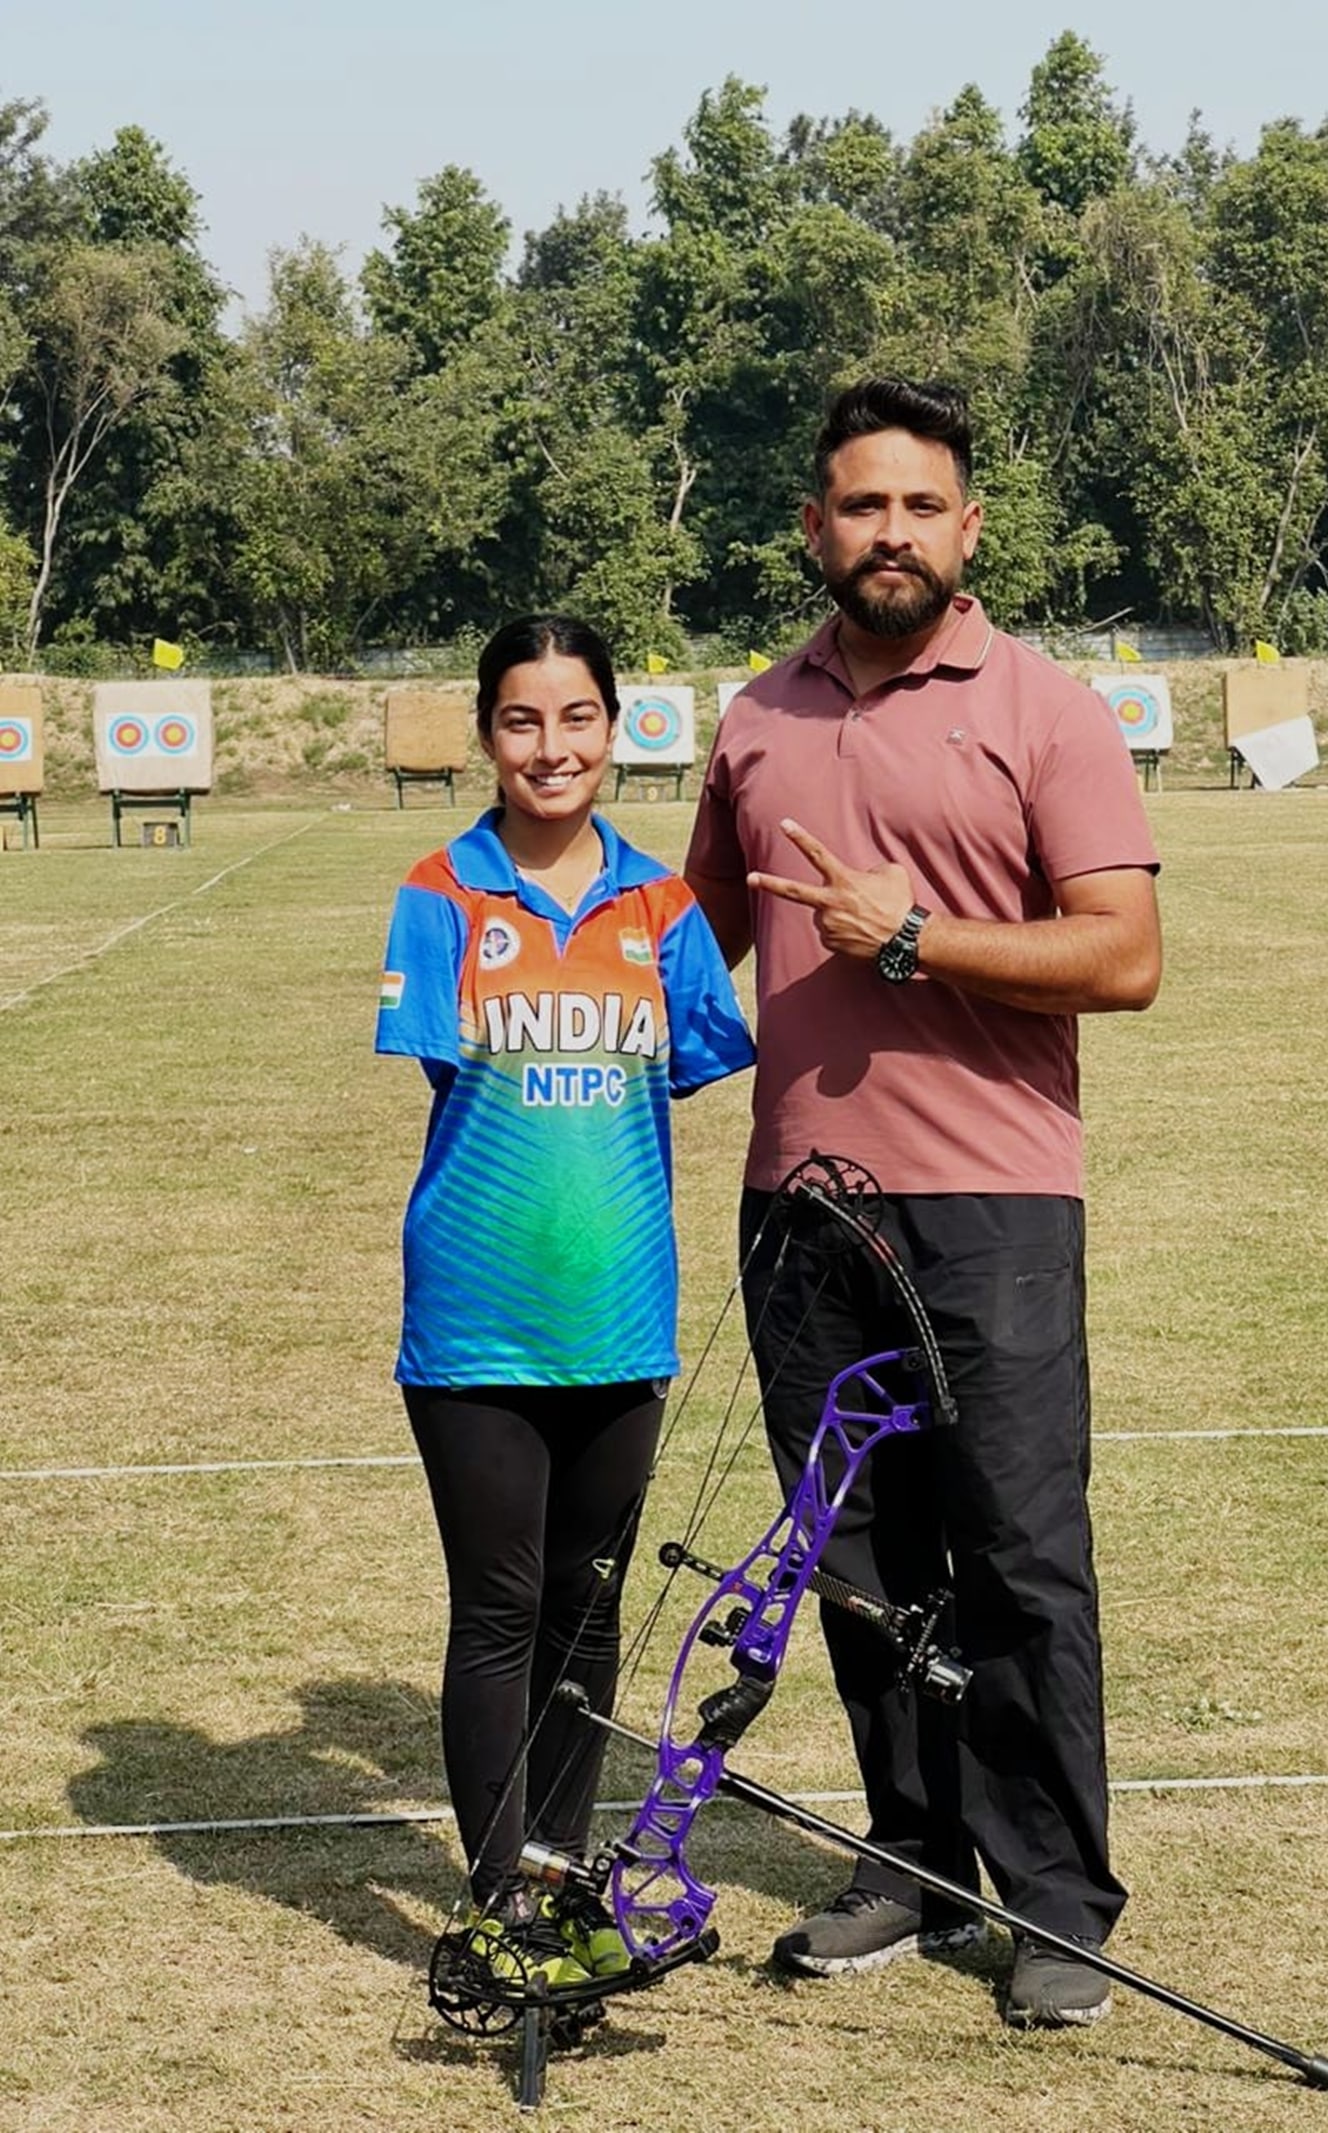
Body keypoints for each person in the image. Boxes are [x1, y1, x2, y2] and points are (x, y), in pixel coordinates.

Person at [685, 379, 1161, 2029]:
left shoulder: (1045, 707)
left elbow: (1125, 955)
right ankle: (913, 1854)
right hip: (800, 1204)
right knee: (860, 1555)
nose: (888, 531)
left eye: (918, 505)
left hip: (996, 1201)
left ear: (969, 528)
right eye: (857, 505)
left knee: (1023, 1550)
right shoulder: (754, 719)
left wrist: (917, 935)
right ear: (813, 529)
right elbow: (694, 951)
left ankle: (1054, 1896)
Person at [377, 613, 754, 1987]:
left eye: (580, 716)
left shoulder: (665, 910)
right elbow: (450, 1085)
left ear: (615, 727)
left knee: (588, 1620)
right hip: (474, 1320)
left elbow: (698, 1065)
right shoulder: (440, 891)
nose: (554, 746)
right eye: (525, 720)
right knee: (499, 1609)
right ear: (488, 732)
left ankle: (560, 1873)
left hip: (622, 1319)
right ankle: (496, 1903)